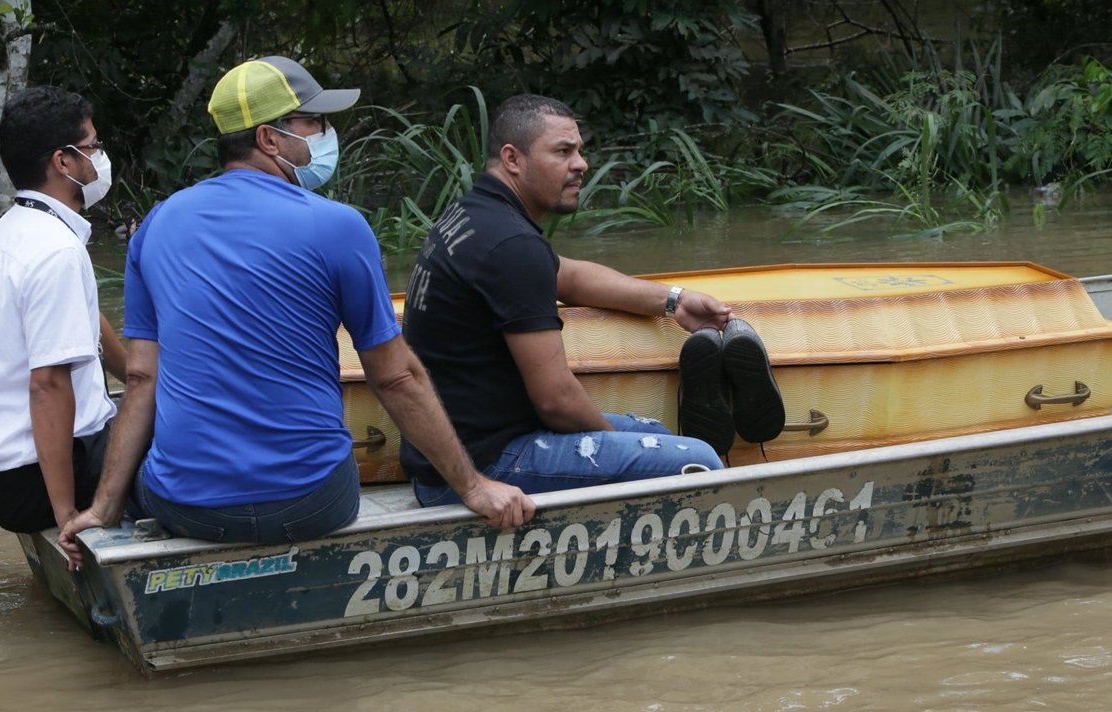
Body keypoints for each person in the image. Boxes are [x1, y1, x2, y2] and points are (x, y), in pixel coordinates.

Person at [59, 56, 533, 568]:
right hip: (313, 504)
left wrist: (104, 507)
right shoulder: (340, 227)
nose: (329, 134)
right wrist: (474, 486)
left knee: (146, 471)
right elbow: (396, 378)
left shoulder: (157, 224)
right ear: (269, 139)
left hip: (189, 510)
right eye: (315, 123)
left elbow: (141, 376)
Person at [400, 94, 785, 505]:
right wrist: (614, 446)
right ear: (513, 159)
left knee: (656, 434)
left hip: (456, 453)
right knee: (699, 460)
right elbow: (557, 402)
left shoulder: (474, 214)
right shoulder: (511, 245)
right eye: (563, 152)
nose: (581, 164)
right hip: (480, 470)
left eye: (579, 151)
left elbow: (569, 276)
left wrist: (675, 300)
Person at [0, 85, 124, 534]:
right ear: (63, 162)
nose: (100, 157)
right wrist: (64, 513)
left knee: (146, 406)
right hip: (32, 480)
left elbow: (85, 320)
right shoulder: (55, 250)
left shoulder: (15, 225)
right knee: (192, 437)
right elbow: (48, 387)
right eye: (93, 147)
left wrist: (140, 375)